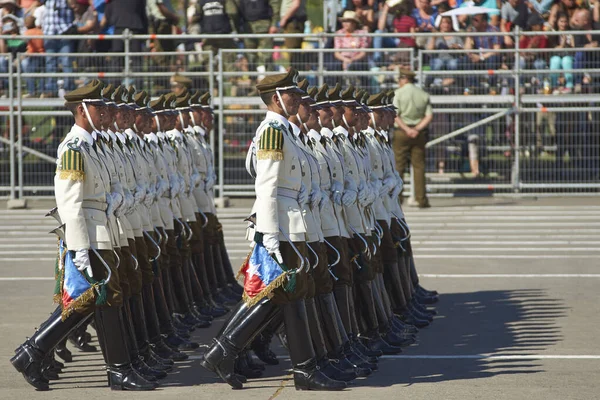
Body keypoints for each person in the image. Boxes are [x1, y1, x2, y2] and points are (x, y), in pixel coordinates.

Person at [201, 68, 346, 391]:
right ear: (276, 99)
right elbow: (266, 186)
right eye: (291, 94)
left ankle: (226, 352)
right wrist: (270, 234)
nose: (297, 99)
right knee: (285, 293)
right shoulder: (272, 132)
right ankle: (299, 367)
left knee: (290, 294)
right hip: (280, 223)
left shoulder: (287, 131)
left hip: (294, 221)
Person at [10, 80, 156, 391]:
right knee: (101, 299)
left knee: (99, 299)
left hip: (104, 229)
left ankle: (33, 352)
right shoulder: (74, 149)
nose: (106, 112)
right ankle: (115, 369)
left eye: (105, 107)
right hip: (89, 233)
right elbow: (70, 203)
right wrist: (79, 248)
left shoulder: (93, 145)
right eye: (98, 107)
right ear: (81, 110)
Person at [393, 69, 433, 208]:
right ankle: (421, 199)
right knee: (419, 166)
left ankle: (397, 199)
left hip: (402, 132)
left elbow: (395, 115)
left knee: (399, 166)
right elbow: (428, 116)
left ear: (404, 79)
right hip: (418, 132)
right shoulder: (423, 94)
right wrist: (416, 129)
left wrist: (406, 129)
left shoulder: (398, 93)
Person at [231, 0, 280, 81]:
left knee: (266, 56)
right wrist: (238, 30)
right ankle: (254, 84)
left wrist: (274, 24)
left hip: (265, 25)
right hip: (248, 27)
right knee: (250, 57)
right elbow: (236, 10)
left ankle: (269, 83)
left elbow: (274, 5)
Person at [41, 0, 76, 96]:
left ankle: (69, 90)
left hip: (65, 31)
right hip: (49, 32)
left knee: (66, 61)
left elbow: (73, 4)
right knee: (50, 62)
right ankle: (51, 90)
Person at [464, 13, 502, 89]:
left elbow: (497, 50)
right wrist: (469, 37)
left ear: (484, 22)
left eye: (476, 20)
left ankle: (492, 86)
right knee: (465, 60)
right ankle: (474, 86)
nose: (473, 22)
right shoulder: (472, 31)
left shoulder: (493, 30)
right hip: (478, 58)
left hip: (490, 57)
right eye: (473, 20)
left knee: (493, 60)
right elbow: (467, 50)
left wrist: (481, 57)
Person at [333, 11, 370, 88]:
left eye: (348, 21)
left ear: (354, 23)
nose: (345, 23)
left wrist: (352, 59)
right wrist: (345, 59)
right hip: (342, 59)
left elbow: (363, 52)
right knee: (334, 66)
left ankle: (362, 90)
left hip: (357, 60)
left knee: (358, 65)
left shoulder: (362, 34)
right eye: (344, 21)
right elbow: (336, 53)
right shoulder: (339, 33)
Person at [426, 15, 463, 89]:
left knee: (453, 64)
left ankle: (453, 81)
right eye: (443, 23)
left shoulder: (456, 36)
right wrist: (434, 38)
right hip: (438, 58)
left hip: (452, 58)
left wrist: (457, 47)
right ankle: (428, 83)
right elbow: (429, 51)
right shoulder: (435, 35)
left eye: (448, 23)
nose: (446, 25)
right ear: (440, 24)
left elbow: (462, 49)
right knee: (438, 64)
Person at [147, 0, 179, 69]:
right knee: (162, 54)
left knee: (165, 54)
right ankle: (162, 75)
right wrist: (174, 17)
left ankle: (163, 73)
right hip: (160, 24)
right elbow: (160, 6)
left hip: (160, 23)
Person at [549, 12, 575, 93]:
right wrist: (563, 44)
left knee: (566, 60)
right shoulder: (554, 34)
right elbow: (554, 48)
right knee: (555, 60)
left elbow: (573, 47)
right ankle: (554, 86)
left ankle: (569, 86)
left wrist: (567, 43)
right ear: (557, 22)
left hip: (568, 55)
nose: (563, 24)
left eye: (565, 21)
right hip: (556, 55)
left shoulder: (570, 33)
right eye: (561, 21)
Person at [279, 0, 307, 69]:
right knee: (293, 55)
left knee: (294, 55)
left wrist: (284, 19)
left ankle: (295, 77)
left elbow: (296, 4)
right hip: (292, 22)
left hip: (293, 22)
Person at [22, 14, 44, 96]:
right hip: (42, 55)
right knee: (42, 74)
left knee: (29, 72)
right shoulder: (40, 31)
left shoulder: (28, 33)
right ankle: (42, 92)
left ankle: (31, 91)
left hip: (32, 56)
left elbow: (24, 43)